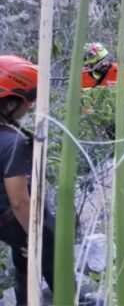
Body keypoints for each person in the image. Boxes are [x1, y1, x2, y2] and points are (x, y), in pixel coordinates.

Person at [0, 55, 56, 305]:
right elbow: (20, 200)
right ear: (12, 103)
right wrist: (36, 236)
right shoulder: (13, 142)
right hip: (9, 214)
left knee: (24, 257)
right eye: (30, 99)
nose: (31, 105)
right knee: (50, 247)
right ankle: (68, 295)